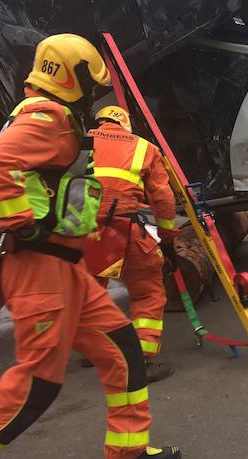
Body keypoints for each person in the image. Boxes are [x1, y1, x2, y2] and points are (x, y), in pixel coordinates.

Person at [0, 34, 180, 458]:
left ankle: (128, 453)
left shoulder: (38, 114)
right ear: (73, 77)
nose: (93, 96)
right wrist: (23, 223)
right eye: (90, 85)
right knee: (38, 383)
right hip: (40, 268)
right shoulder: (48, 117)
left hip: (67, 269)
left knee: (123, 355)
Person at [84, 105, 178, 382]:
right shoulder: (144, 148)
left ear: (99, 123)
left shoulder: (79, 141)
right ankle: (141, 363)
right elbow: (163, 198)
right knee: (148, 292)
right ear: (126, 124)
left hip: (83, 230)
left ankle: (95, 350)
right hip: (124, 229)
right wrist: (168, 238)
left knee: (91, 292)